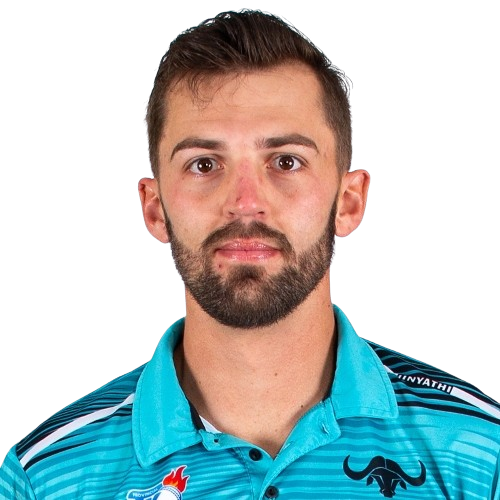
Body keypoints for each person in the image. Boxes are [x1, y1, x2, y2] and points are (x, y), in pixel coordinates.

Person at [1, 9, 498, 500]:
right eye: (204, 164)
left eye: (286, 161)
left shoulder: (484, 453)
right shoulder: (45, 477)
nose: (244, 203)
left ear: (349, 202)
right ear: (154, 209)